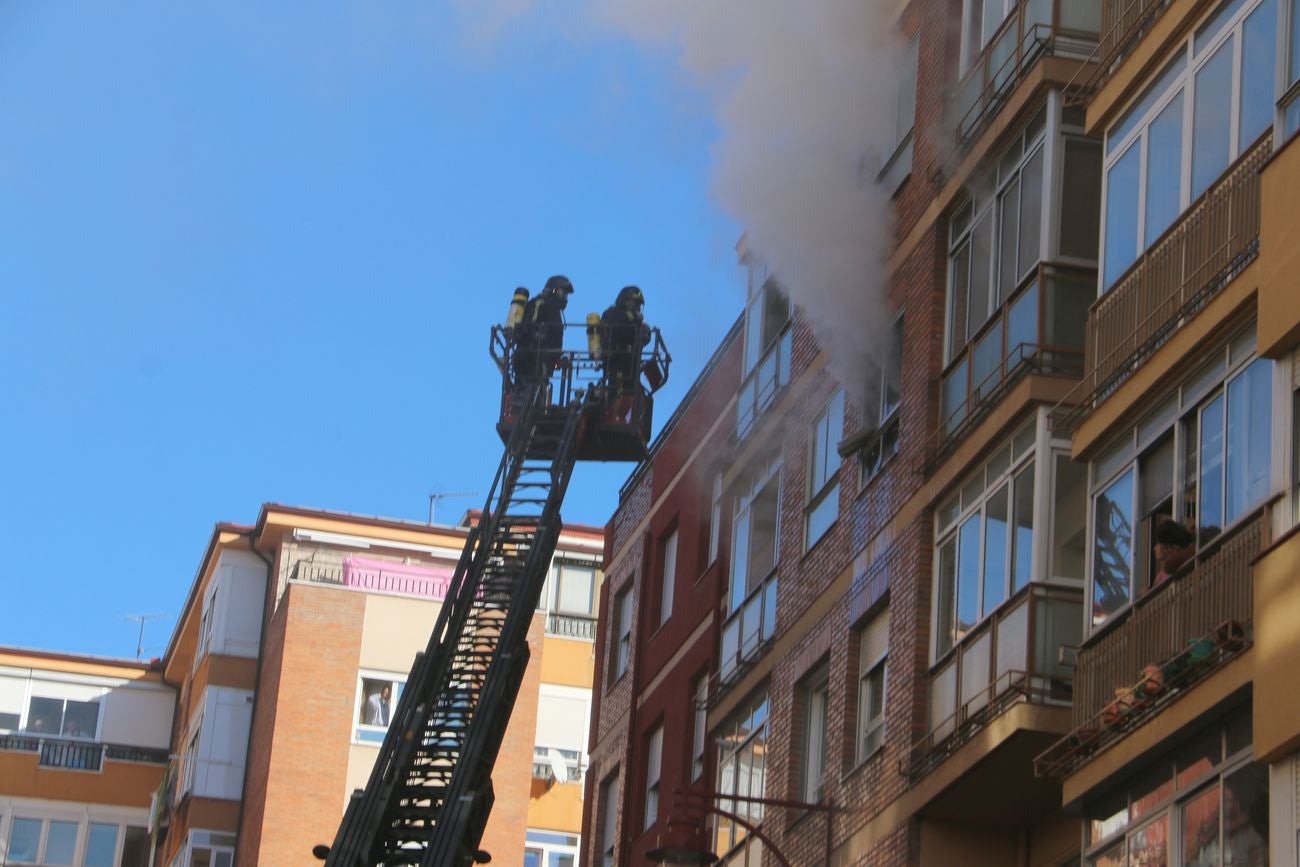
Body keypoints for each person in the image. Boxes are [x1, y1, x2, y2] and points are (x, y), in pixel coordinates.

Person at [512, 275, 573, 387]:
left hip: (521, 355)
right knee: (538, 388)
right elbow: (556, 333)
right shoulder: (550, 304)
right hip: (537, 358)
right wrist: (556, 356)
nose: (565, 298)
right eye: (564, 293)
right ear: (555, 290)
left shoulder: (534, 303)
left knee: (521, 389)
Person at [601, 285, 650, 394]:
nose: (637, 307)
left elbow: (644, 338)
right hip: (617, 362)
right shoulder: (612, 314)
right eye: (634, 303)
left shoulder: (634, 321)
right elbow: (623, 330)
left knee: (635, 394)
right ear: (625, 301)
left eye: (638, 305)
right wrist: (638, 327)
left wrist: (643, 331)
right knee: (618, 393)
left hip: (631, 365)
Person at [1152, 518, 1195, 587]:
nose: (1154, 548)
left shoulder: (1196, 557)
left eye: (1158, 543)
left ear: (1174, 548)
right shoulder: (1163, 575)